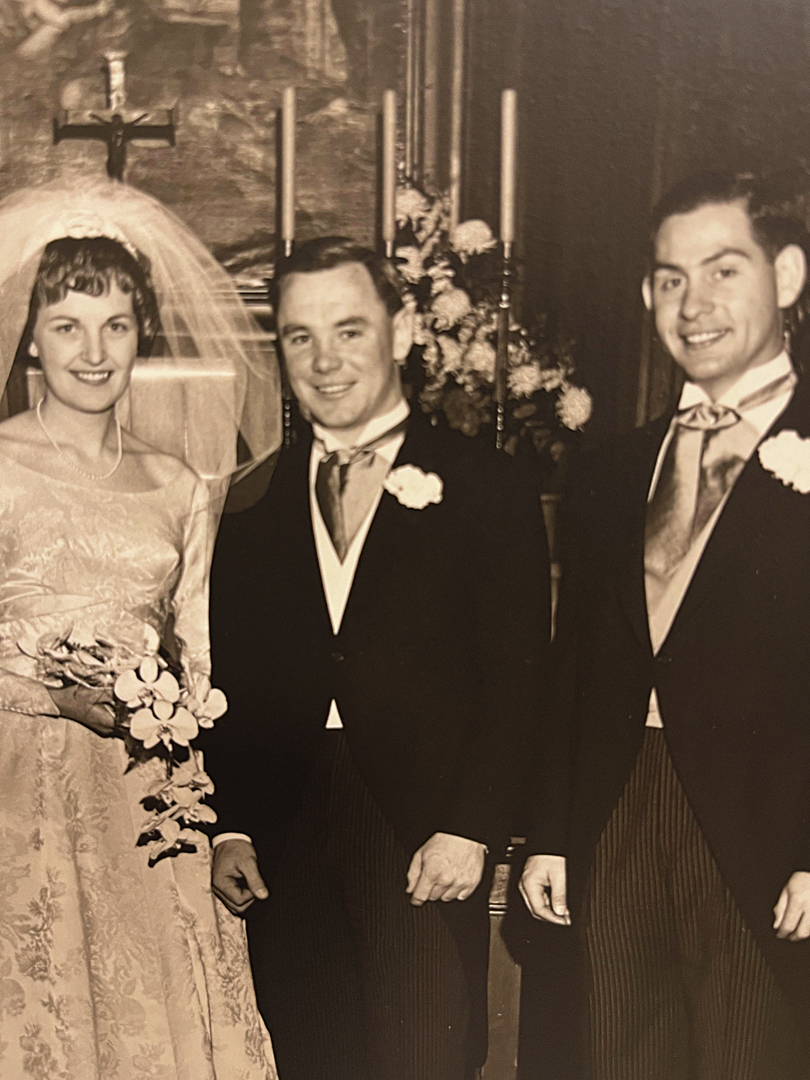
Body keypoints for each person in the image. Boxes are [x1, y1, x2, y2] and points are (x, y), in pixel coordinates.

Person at [207, 236, 551, 1080]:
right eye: (298, 336)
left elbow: (519, 676)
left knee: (422, 1056)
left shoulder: (485, 483)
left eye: (349, 330)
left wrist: (470, 825)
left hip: (421, 831)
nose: (324, 361)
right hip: (288, 836)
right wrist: (235, 822)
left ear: (399, 336)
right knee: (312, 1055)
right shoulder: (252, 500)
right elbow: (237, 680)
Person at [519, 170, 810, 1079]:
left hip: (764, 837)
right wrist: (554, 832)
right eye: (670, 279)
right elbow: (574, 670)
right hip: (615, 819)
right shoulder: (613, 470)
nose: (694, 304)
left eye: (723, 271)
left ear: (789, 276)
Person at [0, 179, 280, 1080]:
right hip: (18, 788)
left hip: (147, 798)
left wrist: (219, 820)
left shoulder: (181, 486)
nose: (93, 351)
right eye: (68, 325)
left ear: (143, 333)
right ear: (30, 336)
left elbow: (200, 665)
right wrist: (50, 697)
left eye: (115, 325)